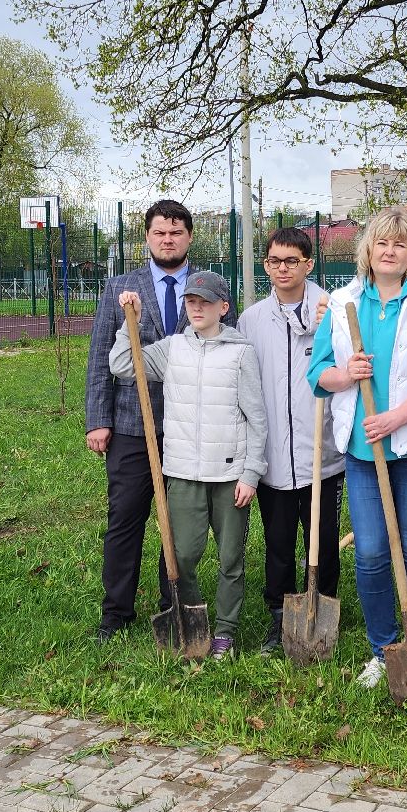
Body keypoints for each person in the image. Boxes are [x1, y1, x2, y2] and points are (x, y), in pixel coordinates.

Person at [308, 206, 407, 688]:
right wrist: (347, 375)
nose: (390, 251)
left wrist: (396, 418)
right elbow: (318, 372)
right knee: (373, 551)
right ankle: (383, 649)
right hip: (361, 450)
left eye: (400, 244)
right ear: (368, 250)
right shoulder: (343, 305)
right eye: (382, 243)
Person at [85, 200, 236, 640]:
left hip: (190, 427)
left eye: (175, 232)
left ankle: (172, 599)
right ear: (147, 238)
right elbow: (100, 359)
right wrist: (99, 419)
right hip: (134, 426)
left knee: (179, 520)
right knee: (126, 518)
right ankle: (116, 613)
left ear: (189, 237)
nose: (167, 239)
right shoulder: (121, 287)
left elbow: (231, 346)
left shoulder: (209, 287)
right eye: (159, 233)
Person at [109, 270, 266, 658]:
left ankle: (226, 632)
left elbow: (257, 419)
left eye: (206, 302)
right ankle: (193, 620)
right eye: (191, 301)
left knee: (231, 558)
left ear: (223, 308)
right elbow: (123, 365)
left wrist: (250, 473)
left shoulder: (241, 352)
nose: (197, 308)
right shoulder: (172, 348)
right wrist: (133, 320)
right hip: (182, 473)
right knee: (182, 556)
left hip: (229, 475)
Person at [242, 227, 343, 655]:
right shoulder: (251, 319)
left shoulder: (332, 311)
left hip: (323, 454)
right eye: (274, 262)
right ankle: (280, 615)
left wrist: (323, 331)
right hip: (273, 458)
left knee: (322, 537)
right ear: (266, 265)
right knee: (279, 543)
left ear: (308, 264)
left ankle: (322, 606)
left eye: (291, 261)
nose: (282, 269)